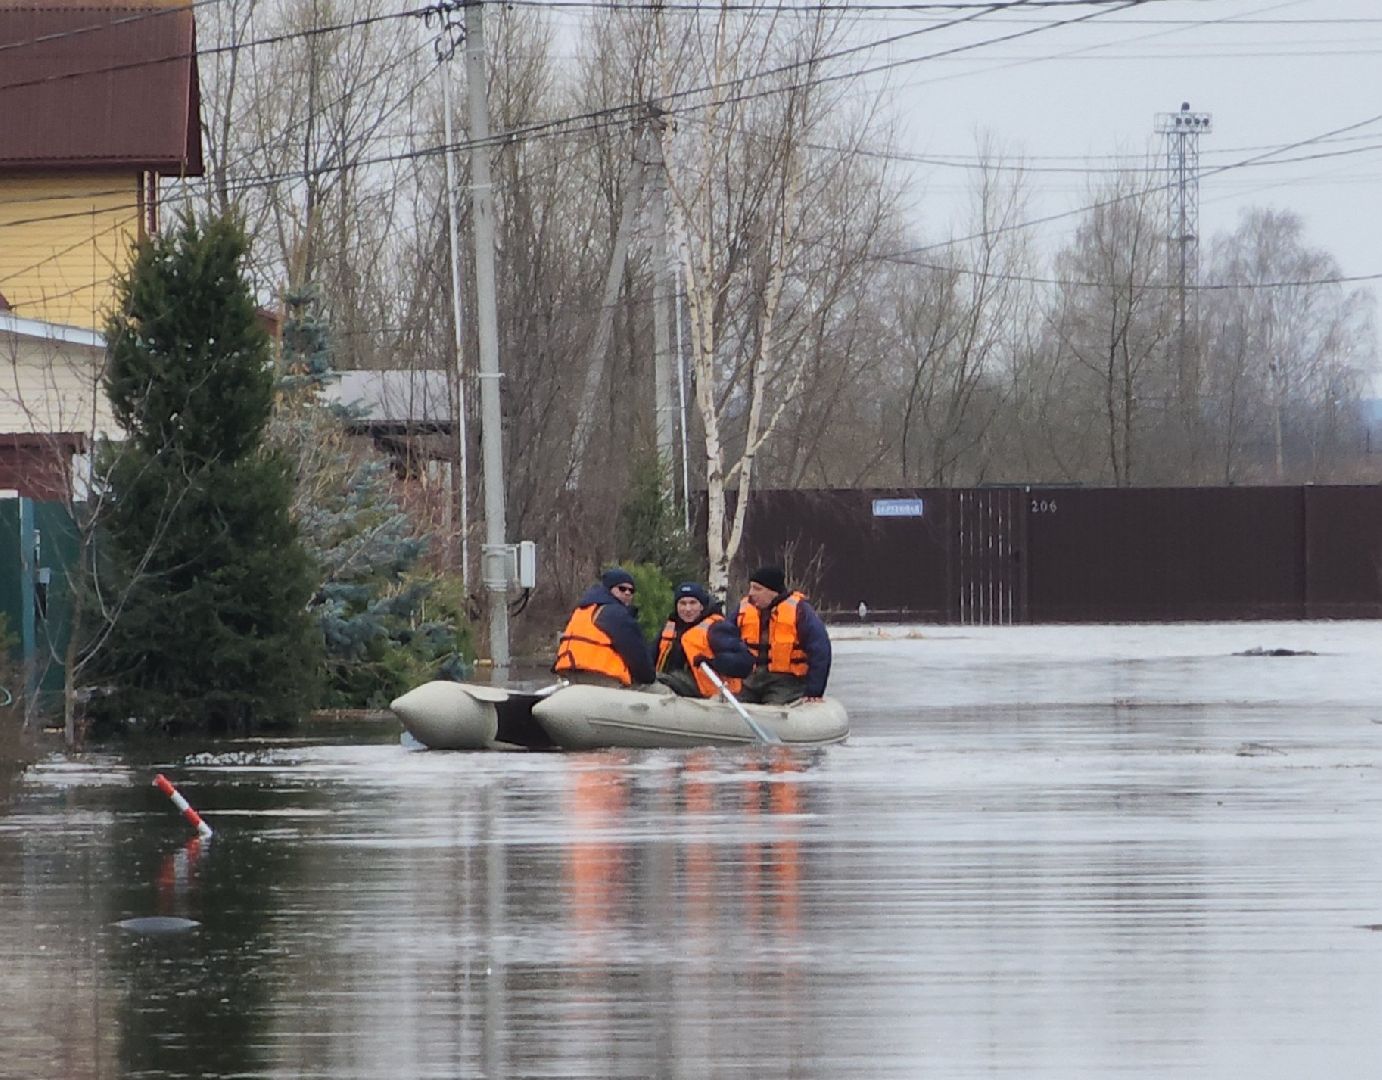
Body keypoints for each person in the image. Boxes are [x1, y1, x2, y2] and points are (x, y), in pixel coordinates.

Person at [735, 565, 832, 705]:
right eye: (751, 588)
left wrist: (814, 690)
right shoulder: (744, 609)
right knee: (735, 705)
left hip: (786, 682)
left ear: (772, 591)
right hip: (750, 680)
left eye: (757, 589)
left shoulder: (800, 611)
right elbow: (725, 638)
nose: (751, 593)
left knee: (773, 710)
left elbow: (820, 650)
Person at [552, 567, 657, 689]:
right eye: (622, 588)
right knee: (659, 690)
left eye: (631, 590)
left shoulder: (582, 610)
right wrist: (650, 678)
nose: (627, 593)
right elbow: (637, 657)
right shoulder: (615, 613)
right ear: (609, 589)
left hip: (569, 675)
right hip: (601, 679)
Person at [655, 581, 754, 699]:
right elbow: (651, 656)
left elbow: (744, 663)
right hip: (678, 685)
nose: (687, 609)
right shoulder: (671, 627)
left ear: (702, 606)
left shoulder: (716, 628)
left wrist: (713, 662)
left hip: (714, 693)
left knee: (660, 680)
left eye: (693, 603)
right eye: (682, 603)